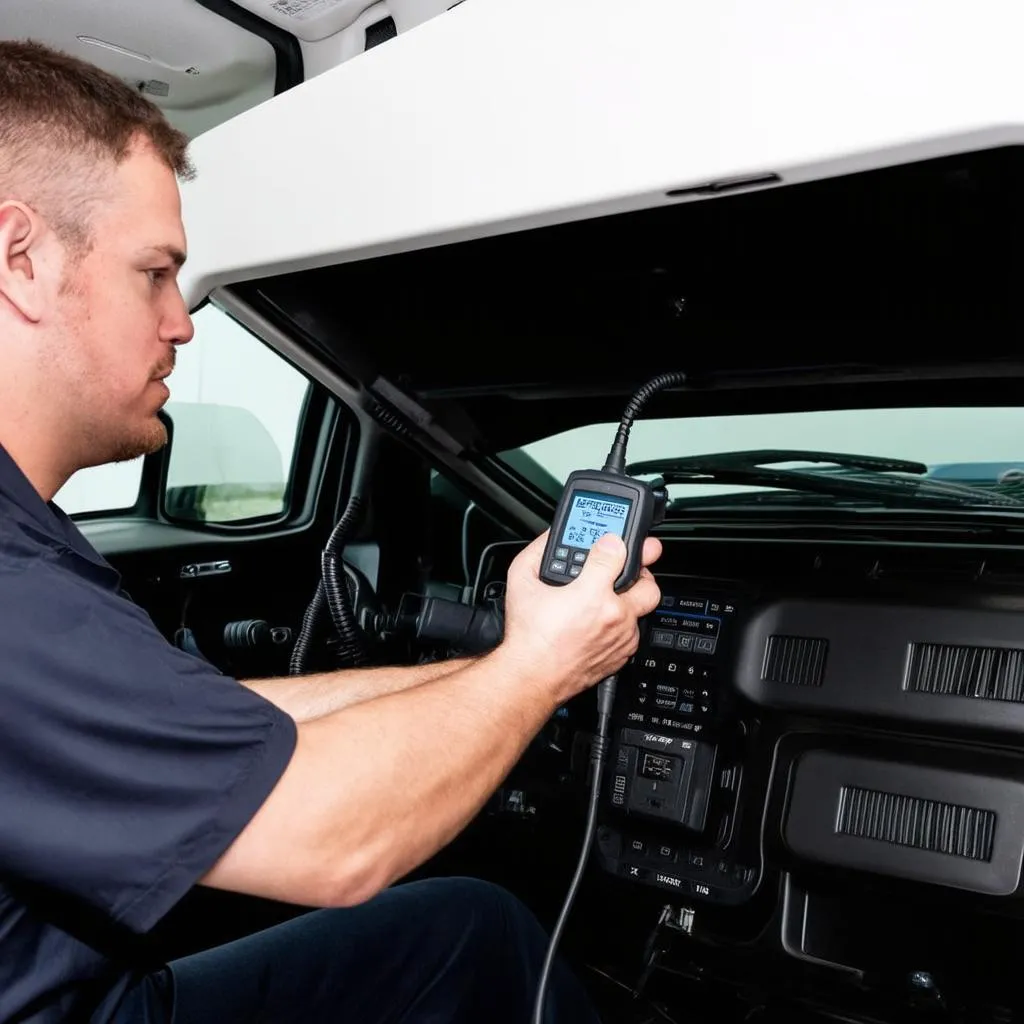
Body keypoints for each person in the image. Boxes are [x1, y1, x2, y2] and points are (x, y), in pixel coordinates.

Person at [0, 40, 662, 1024]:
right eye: (155, 273)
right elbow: (334, 841)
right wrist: (534, 670)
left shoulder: (29, 532)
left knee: (464, 934)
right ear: (24, 259)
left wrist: (505, 655)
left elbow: (229, 731)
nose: (182, 321)